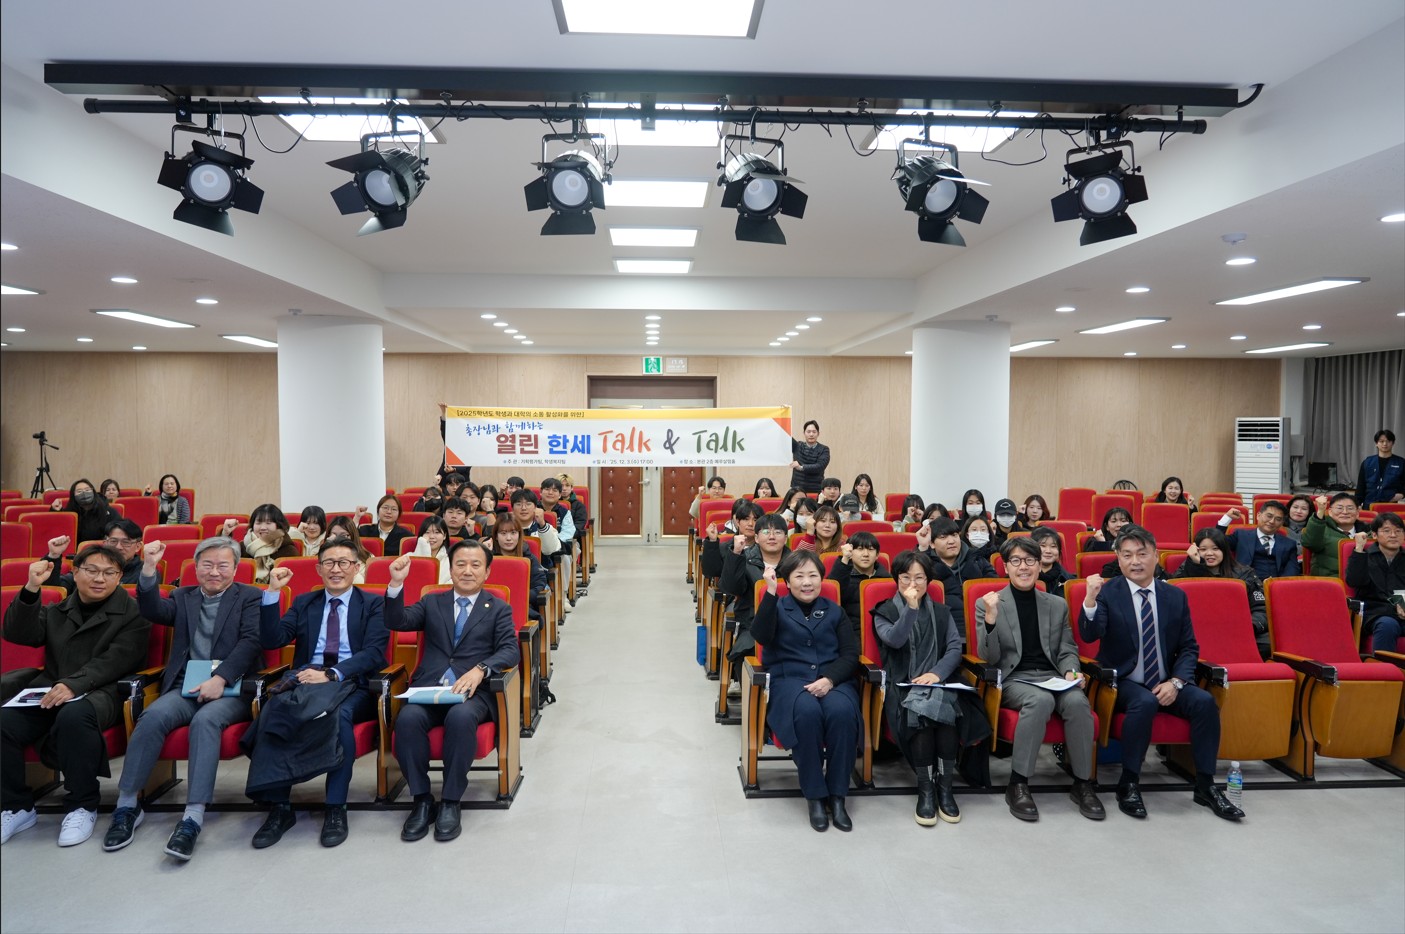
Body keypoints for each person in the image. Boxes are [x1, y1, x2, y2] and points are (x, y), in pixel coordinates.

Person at [102, 536, 262, 860]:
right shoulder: (183, 596)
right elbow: (151, 608)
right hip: (186, 684)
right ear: (195, 567)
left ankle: (192, 816)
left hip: (231, 687)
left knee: (205, 722)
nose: (214, 572)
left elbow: (251, 641)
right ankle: (128, 805)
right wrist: (148, 567)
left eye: (222, 565)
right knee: (152, 718)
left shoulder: (250, 596)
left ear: (235, 568)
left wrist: (220, 679)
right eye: (207, 564)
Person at [1079, 525, 1244, 821]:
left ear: (1156, 556)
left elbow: (1190, 647)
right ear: (1118, 558)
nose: (1135, 561)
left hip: (1167, 680)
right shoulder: (1109, 593)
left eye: (1142, 554)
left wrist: (1177, 682)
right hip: (1124, 682)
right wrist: (1089, 600)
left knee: (1205, 703)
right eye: (1127, 555)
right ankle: (1128, 783)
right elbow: (1090, 634)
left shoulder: (1174, 596)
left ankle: (1205, 785)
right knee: (1145, 702)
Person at [1, 545, 151, 847]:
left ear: (120, 576)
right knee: (4, 720)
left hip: (104, 689)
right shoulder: (60, 609)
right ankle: (15, 805)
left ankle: (82, 804)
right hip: (53, 688)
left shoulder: (133, 612)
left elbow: (118, 659)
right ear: (76, 572)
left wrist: (75, 684)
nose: (100, 579)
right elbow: (19, 633)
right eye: (92, 571)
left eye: (110, 573)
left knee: (74, 715)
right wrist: (32, 588)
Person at [245, 539, 389, 849]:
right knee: (274, 712)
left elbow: (375, 653)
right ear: (318, 568)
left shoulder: (373, 604)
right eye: (329, 563)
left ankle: (336, 807)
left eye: (343, 562)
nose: (336, 569)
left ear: (357, 567)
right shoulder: (303, 603)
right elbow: (273, 639)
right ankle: (280, 807)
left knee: (340, 718)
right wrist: (272, 593)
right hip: (307, 680)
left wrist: (331, 674)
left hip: (352, 682)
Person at [385, 543, 519, 843]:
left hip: (473, 694)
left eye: (475, 565)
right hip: (430, 689)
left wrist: (481, 668)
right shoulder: (432, 602)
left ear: (487, 571)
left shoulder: (497, 607)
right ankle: (421, 799)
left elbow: (510, 650)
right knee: (407, 720)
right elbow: (397, 622)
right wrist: (396, 583)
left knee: (460, 718)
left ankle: (450, 800)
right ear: (451, 568)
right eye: (460, 564)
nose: (467, 571)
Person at [977, 537, 1103, 822]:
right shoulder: (988, 603)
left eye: (1030, 561)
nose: (1024, 567)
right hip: (1013, 679)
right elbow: (989, 657)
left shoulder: (1056, 605)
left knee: (1078, 702)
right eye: (1016, 561)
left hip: (1051, 676)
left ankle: (1083, 783)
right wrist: (991, 619)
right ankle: (1018, 783)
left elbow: (1067, 649)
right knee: (1039, 699)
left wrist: (1071, 671)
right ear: (1005, 567)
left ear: (1039, 564)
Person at [872, 550, 988, 826]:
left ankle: (944, 789)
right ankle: (926, 790)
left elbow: (953, 649)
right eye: (906, 577)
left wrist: (936, 674)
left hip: (940, 681)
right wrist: (911, 610)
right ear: (896, 579)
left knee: (944, 713)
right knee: (921, 716)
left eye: (920, 577)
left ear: (929, 580)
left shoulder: (940, 611)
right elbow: (895, 640)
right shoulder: (883, 611)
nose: (913, 583)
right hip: (903, 684)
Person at [752, 550, 861, 832]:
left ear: (822, 579)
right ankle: (815, 795)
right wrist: (771, 593)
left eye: (813, 575)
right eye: (799, 576)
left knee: (842, 712)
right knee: (807, 712)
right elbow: (761, 636)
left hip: (832, 680)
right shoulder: (776, 606)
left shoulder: (835, 611)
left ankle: (838, 796)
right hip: (789, 681)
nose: (807, 582)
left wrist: (830, 679)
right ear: (787, 580)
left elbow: (850, 655)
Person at [1174, 528, 1270, 659]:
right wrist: (1196, 566)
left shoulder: (1244, 573)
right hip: (1200, 630)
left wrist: (1248, 626)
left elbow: (1261, 609)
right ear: (1195, 550)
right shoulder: (1185, 571)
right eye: (1203, 549)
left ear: (1224, 550)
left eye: (1215, 548)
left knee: (1268, 643)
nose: (1209, 553)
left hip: (1238, 630)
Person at [712, 513, 791, 669]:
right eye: (766, 532)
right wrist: (735, 554)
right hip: (752, 625)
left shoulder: (797, 562)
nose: (772, 537)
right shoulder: (744, 558)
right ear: (756, 538)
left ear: (786, 538)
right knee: (746, 654)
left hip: (790, 624)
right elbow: (730, 588)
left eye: (778, 532)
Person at [1345, 513, 1405, 654]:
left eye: (1398, 531)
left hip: (1402, 609)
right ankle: (1385, 672)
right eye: (1386, 531)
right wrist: (1359, 549)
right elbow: (1354, 581)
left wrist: (1402, 603)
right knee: (1387, 624)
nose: (1393, 535)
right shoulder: (1364, 556)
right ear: (1375, 534)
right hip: (1375, 612)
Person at [917, 516, 997, 621]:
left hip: (979, 621)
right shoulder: (926, 565)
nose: (951, 541)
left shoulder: (977, 559)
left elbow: (995, 589)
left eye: (954, 535)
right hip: (942, 625)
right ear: (932, 543)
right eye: (943, 537)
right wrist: (923, 548)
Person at [41, 519, 144, 591]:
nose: (118, 547)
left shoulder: (146, 572)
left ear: (138, 546)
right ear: (105, 543)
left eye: (126, 542)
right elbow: (56, 589)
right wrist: (54, 555)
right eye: (113, 541)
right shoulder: (88, 564)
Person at [1214, 500, 1299, 581]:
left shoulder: (1289, 544)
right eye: (1269, 516)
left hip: (1275, 587)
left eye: (1278, 519)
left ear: (1282, 523)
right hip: (1246, 585)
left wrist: (1278, 586)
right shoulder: (1241, 535)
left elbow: (1292, 570)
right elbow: (1217, 542)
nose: (1272, 521)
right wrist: (1226, 518)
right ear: (1258, 515)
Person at [826, 531, 891, 636]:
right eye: (860, 549)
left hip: (883, 632)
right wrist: (845, 559)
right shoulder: (843, 575)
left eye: (870, 549)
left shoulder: (886, 580)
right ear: (851, 552)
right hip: (851, 632)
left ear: (877, 555)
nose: (865, 554)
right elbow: (832, 594)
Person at [487, 515, 551, 621]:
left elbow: (539, 584)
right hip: (491, 607)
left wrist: (520, 597)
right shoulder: (488, 557)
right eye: (503, 533)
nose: (508, 538)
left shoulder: (529, 558)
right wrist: (486, 554)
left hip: (522, 606)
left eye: (513, 533)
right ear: (496, 536)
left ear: (519, 535)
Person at [1302, 493, 1370, 578]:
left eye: (1350, 508)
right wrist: (1320, 511)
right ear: (1330, 512)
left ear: (1357, 513)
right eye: (1339, 508)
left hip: (1362, 584)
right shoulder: (1321, 530)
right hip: (1330, 582)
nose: (1345, 512)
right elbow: (1310, 543)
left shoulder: (1369, 532)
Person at [229, 504, 299, 584]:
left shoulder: (288, 550)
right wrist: (226, 534)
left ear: (278, 525)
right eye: (258, 523)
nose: (263, 527)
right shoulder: (242, 547)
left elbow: (290, 582)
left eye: (268, 523)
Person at [539, 477, 577, 605]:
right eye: (547, 489)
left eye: (555, 490)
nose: (550, 493)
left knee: (565, 557)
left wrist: (553, 542)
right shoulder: (533, 509)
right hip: (537, 546)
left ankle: (563, 595)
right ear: (540, 492)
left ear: (560, 494)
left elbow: (568, 532)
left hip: (557, 547)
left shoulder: (564, 511)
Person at [49, 478, 119, 545]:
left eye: (87, 490)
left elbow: (118, 530)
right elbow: (56, 530)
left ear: (93, 492)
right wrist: (55, 511)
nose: (84, 493)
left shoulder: (107, 511)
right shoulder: (70, 514)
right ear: (73, 495)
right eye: (79, 491)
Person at [511, 489, 562, 571]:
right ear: (512, 509)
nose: (523, 508)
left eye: (528, 504)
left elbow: (551, 549)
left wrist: (542, 524)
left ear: (535, 507)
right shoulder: (506, 529)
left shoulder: (544, 527)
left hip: (540, 575)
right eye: (518, 504)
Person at [1357, 429, 1405, 505]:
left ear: (1392, 443)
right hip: (1369, 505)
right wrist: (1357, 504)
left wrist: (1402, 494)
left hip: (1390, 506)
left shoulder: (1401, 462)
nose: (1385, 444)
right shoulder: (1367, 462)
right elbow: (1360, 486)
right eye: (1381, 441)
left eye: (1388, 441)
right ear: (1376, 443)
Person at [433, 402, 471, 485]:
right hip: (444, 479)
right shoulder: (450, 442)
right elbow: (444, 429)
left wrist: (454, 469)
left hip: (463, 482)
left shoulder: (470, 445)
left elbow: (466, 467)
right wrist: (444, 412)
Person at [789, 419, 830, 495]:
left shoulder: (824, 449)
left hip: (816, 489)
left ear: (818, 433)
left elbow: (820, 466)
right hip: (797, 489)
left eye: (814, 432)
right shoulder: (797, 446)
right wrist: (783, 413)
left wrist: (801, 467)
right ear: (804, 433)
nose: (811, 434)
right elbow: (785, 435)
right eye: (808, 432)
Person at [1029, 526, 1071, 598]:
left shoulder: (1068, 580)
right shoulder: (1022, 577)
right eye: (1043, 546)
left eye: (1053, 546)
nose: (1048, 551)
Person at [411, 515, 453, 585]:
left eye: (437, 532)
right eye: (427, 532)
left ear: (445, 536)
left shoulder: (452, 561)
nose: (431, 537)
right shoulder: (409, 558)